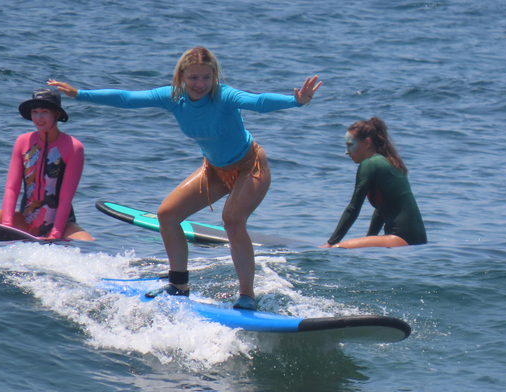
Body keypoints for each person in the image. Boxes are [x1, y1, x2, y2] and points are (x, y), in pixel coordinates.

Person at [48, 46, 321, 310]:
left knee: (232, 221)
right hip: (214, 169)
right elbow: (127, 98)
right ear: (181, 77)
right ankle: (178, 284)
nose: (200, 84)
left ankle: (247, 295)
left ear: (215, 77)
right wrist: (79, 94)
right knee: (167, 214)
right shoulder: (172, 97)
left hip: (251, 166)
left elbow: (258, 102)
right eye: (193, 77)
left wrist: (296, 101)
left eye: (206, 77)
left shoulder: (224, 97)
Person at [0, 88, 93, 241]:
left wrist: (55, 234)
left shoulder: (73, 147)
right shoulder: (22, 142)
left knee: (88, 243)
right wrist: (7, 226)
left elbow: (66, 197)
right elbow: (12, 188)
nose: (38, 117)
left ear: (56, 114)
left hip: (62, 224)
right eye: (35, 112)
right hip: (26, 219)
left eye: (44, 111)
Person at [321, 117, 426, 249]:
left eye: (350, 145)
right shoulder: (389, 162)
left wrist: (330, 244)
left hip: (401, 238)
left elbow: (353, 208)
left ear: (367, 143)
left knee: (338, 249)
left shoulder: (369, 164)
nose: (347, 152)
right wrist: (369, 240)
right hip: (418, 240)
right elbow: (381, 210)